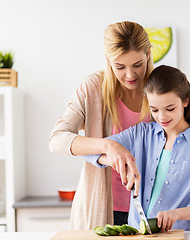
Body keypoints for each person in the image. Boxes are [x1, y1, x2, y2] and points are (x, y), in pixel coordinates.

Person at [84, 65, 190, 231]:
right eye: (154, 110)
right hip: (137, 234)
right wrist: (119, 162)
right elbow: (88, 151)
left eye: (170, 109)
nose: (162, 117)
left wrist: (177, 214)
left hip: (179, 235)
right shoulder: (140, 134)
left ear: (185, 101)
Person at [48, 21, 154, 230]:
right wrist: (108, 146)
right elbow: (57, 139)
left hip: (150, 210)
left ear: (148, 54)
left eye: (137, 65)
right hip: (101, 210)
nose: (130, 75)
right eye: (120, 67)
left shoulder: (160, 88)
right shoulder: (93, 88)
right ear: (108, 60)